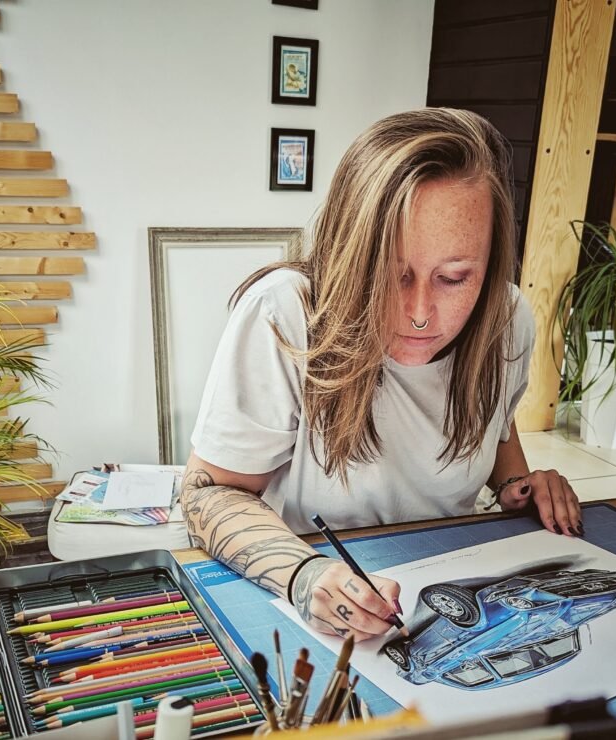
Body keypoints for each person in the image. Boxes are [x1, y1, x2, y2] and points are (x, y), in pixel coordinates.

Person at [181, 108, 581, 643]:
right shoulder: (285, 314)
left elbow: (497, 428)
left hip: (456, 584)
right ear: (351, 256)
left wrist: (516, 485)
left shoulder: (507, 320)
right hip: (310, 593)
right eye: (391, 274)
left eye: (455, 278)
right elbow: (207, 494)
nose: (419, 313)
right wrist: (304, 576)